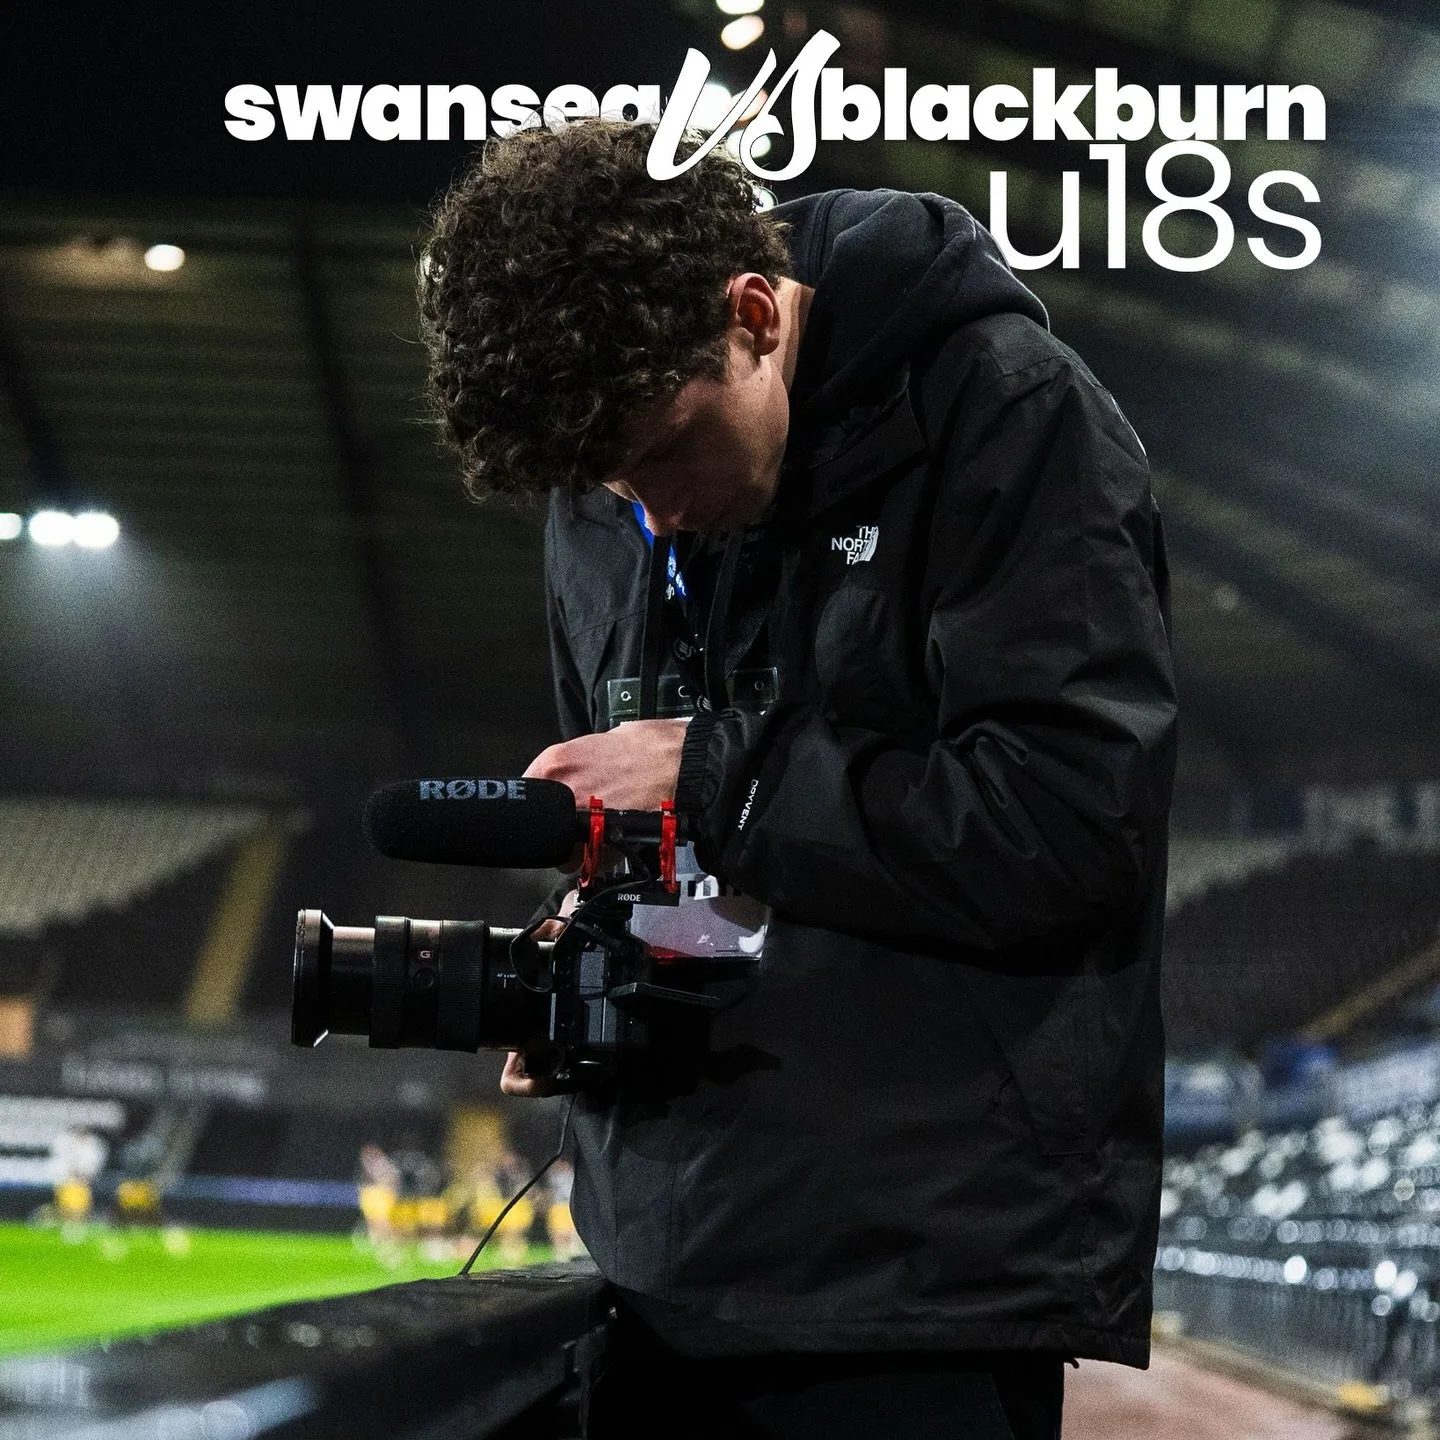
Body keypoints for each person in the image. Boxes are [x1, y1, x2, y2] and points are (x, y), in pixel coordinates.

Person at [418, 119, 1177, 1439]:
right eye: (604, 483)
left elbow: (1071, 829)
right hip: (658, 1259)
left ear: (756, 317)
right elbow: (680, 856)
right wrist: (598, 955)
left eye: (666, 452)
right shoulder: (611, 473)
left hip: (911, 1288)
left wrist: (717, 776)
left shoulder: (1005, 408)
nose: (649, 513)